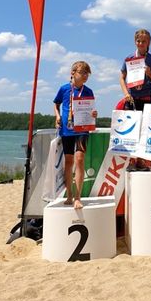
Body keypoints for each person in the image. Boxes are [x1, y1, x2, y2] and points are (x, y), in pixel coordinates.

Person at [53, 61, 97, 209]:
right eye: (82, 72)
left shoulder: (88, 91)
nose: (85, 76)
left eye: (87, 73)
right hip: (67, 129)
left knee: (79, 159)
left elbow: (91, 110)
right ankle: (69, 195)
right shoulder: (64, 88)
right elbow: (56, 104)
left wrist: (94, 114)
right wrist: (57, 116)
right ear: (73, 73)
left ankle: (78, 197)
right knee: (68, 161)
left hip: (82, 129)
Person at [119, 29, 151, 111]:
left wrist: (150, 74)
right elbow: (122, 78)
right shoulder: (129, 58)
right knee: (131, 119)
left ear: (148, 42)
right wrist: (126, 94)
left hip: (146, 97)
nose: (140, 43)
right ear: (135, 42)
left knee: (144, 119)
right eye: (138, 41)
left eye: (144, 41)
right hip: (131, 97)